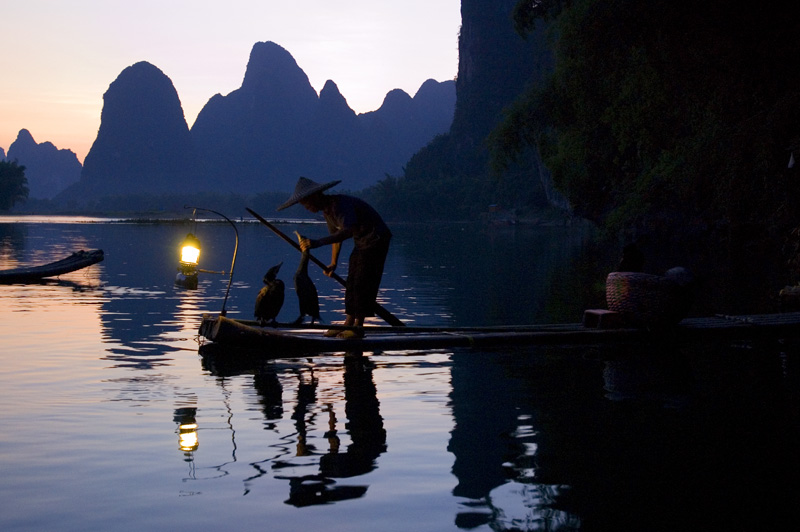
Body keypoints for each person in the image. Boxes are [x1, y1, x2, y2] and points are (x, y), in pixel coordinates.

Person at [277, 177, 392, 338]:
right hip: (362, 243)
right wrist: (333, 263)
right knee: (351, 282)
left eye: (307, 203)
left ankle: (358, 327)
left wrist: (318, 242)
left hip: (376, 240)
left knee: (363, 281)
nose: (307, 208)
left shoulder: (339, 205)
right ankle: (348, 322)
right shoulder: (327, 211)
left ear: (316, 196)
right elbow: (336, 237)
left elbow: (347, 231)